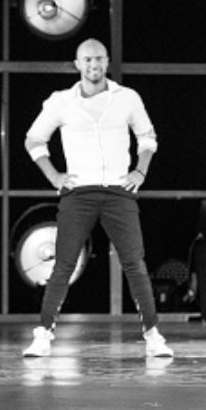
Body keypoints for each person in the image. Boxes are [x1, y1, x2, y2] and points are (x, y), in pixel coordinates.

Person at [22, 38, 173, 358]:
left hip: (118, 191)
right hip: (79, 193)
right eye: (88, 60)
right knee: (63, 265)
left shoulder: (127, 98)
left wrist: (140, 171)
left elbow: (147, 137)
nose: (94, 65)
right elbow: (34, 140)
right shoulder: (62, 101)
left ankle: (153, 335)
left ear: (107, 62)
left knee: (135, 263)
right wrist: (54, 176)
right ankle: (43, 334)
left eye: (99, 59)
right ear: (77, 64)